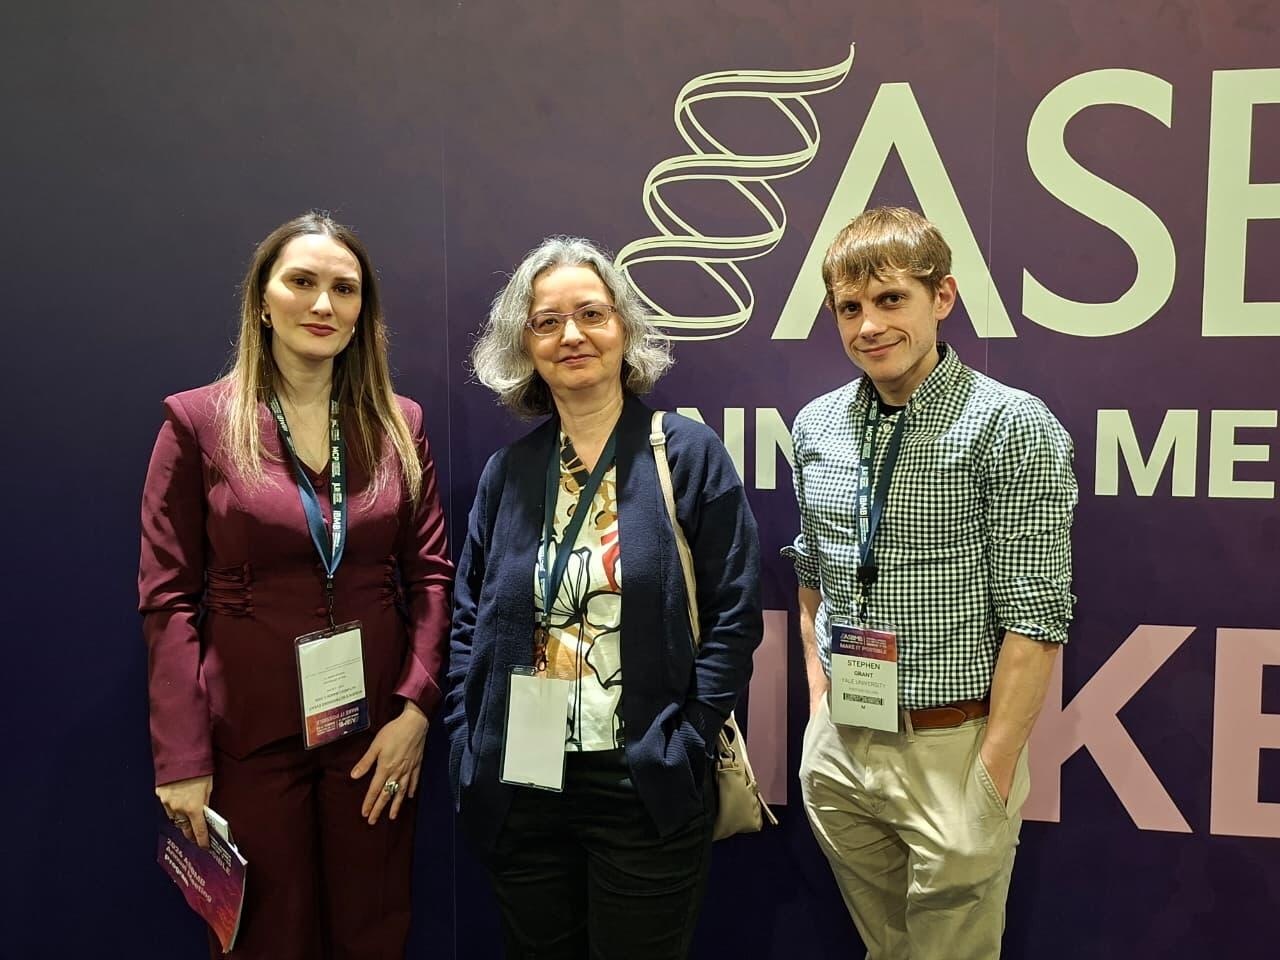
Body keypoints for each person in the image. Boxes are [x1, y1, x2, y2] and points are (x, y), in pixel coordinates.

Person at [139, 211, 453, 959]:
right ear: (262, 301)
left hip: (374, 734)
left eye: (344, 289)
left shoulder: (399, 423)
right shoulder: (197, 422)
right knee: (264, 940)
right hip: (247, 738)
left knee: (374, 930)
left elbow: (431, 575)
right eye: (302, 282)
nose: (322, 305)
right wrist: (182, 758)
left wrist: (416, 709)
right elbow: (167, 599)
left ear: (362, 311)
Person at [446, 236, 762, 959]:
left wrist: (685, 740)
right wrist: (469, 740)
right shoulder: (509, 472)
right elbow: (469, 620)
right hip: (522, 783)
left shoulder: (684, 453)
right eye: (547, 322)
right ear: (525, 346)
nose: (572, 336)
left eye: (591, 313)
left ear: (624, 328)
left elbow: (734, 615)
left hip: (642, 780)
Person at [786, 207, 1076, 960]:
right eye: (850, 307)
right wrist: (820, 709)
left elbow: (1036, 617)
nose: (869, 325)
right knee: (885, 950)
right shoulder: (817, 425)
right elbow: (813, 576)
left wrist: (993, 773)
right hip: (844, 746)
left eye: (891, 299)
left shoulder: (1010, 424)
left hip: (953, 749)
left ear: (941, 297)